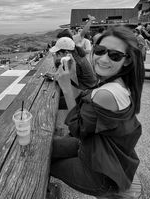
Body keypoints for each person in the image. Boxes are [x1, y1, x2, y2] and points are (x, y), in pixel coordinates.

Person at [50, 26, 144, 196]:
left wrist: (65, 87)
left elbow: (78, 128)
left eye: (114, 55)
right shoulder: (120, 82)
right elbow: (85, 104)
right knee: (47, 147)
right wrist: (71, 78)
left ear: (128, 60)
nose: (103, 59)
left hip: (101, 174)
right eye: (100, 50)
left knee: (43, 162)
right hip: (96, 150)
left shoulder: (106, 94)